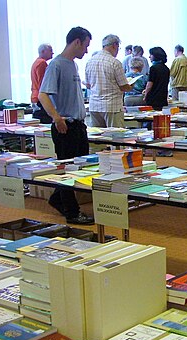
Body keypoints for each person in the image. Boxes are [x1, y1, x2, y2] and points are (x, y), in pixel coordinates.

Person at [38, 26, 94, 225]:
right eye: (85, 45)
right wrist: (56, 117)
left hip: (78, 125)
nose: (86, 51)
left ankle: (56, 198)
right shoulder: (57, 65)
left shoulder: (73, 65)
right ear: (76, 42)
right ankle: (72, 212)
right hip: (65, 126)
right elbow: (42, 95)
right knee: (68, 170)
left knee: (78, 168)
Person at [85, 34, 133, 128]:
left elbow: (88, 85)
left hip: (94, 105)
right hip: (112, 106)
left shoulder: (90, 61)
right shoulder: (114, 62)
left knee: (98, 138)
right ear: (114, 45)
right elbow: (123, 86)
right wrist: (131, 86)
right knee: (116, 137)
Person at [30, 43, 54, 123]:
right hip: (40, 98)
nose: (52, 52)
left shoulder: (36, 62)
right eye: (50, 50)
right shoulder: (42, 63)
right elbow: (43, 83)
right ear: (43, 51)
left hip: (35, 96)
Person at [142, 46, 170, 110]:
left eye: (151, 55)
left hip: (153, 98)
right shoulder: (166, 69)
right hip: (163, 97)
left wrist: (145, 95)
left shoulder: (153, 68)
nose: (149, 57)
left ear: (156, 56)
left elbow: (150, 84)